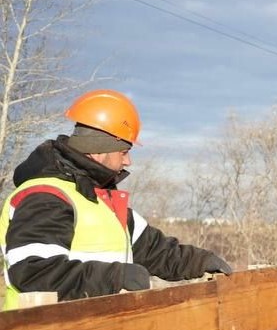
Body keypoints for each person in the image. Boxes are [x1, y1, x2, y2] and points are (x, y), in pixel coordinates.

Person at [0, 89, 232, 310]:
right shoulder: (46, 196)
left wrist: (201, 262)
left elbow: (157, 251)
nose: (127, 162)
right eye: (123, 151)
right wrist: (115, 277)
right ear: (99, 150)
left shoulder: (103, 202)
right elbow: (33, 272)